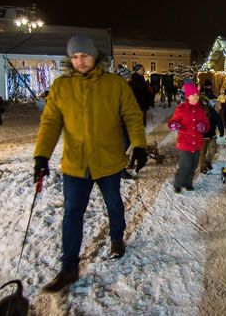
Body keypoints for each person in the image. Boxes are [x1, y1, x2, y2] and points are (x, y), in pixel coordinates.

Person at [33, 35, 148, 292]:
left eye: (84, 55)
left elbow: (131, 115)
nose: (79, 61)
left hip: (108, 161)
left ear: (94, 56)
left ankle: (117, 239)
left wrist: (139, 144)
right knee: (72, 214)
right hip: (75, 164)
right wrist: (41, 155)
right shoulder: (62, 87)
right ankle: (69, 267)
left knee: (114, 205)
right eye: (74, 57)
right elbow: (50, 123)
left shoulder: (114, 84)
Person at [168, 82, 209, 193]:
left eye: (197, 94)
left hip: (197, 143)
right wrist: (173, 125)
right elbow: (173, 121)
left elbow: (206, 123)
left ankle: (187, 183)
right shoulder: (181, 109)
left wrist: (204, 127)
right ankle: (178, 183)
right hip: (184, 142)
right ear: (187, 96)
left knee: (193, 166)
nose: (195, 96)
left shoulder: (201, 110)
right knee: (185, 165)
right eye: (193, 94)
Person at [199, 98, 224, 174]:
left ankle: (208, 161)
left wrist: (221, 130)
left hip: (211, 135)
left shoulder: (212, 111)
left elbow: (218, 120)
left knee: (213, 150)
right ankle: (202, 167)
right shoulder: (197, 112)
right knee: (202, 153)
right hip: (201, 137)